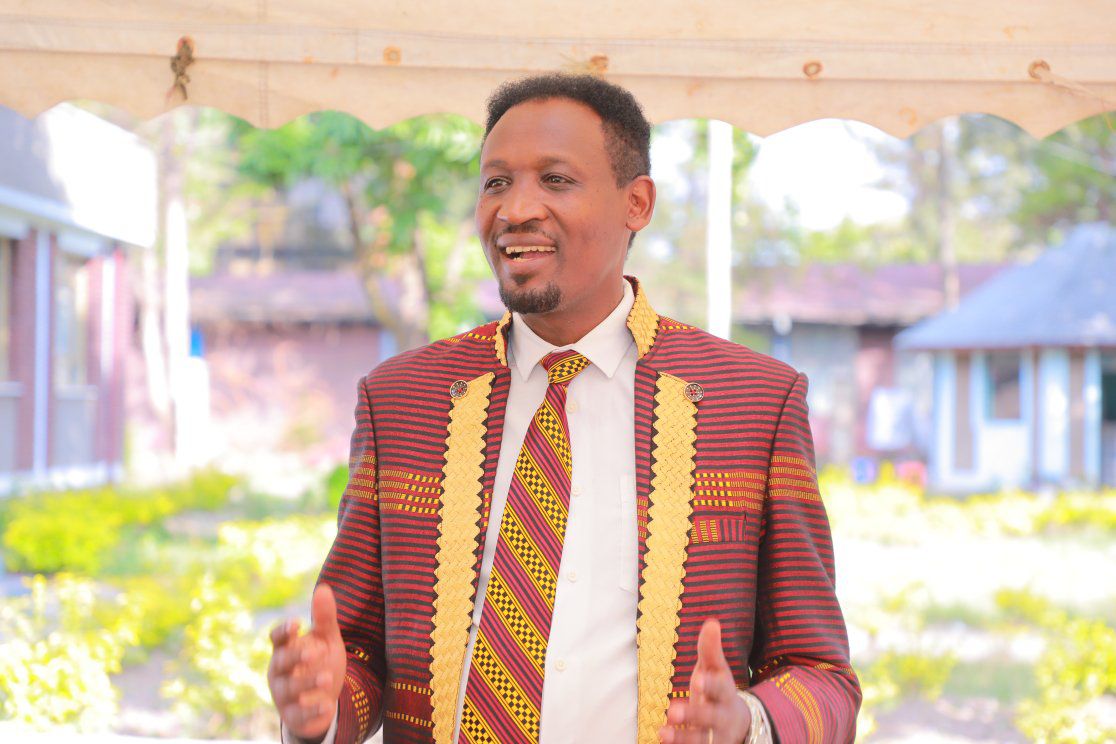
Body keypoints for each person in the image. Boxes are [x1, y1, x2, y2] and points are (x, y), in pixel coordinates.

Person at [268, 73, 860, 744]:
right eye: (496, 182)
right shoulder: (402, 400)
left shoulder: (753, 401)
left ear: (636, 203)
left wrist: (746, 722)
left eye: (555, 180)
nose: (515, 209)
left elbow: (821, 675)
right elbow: (357, 655)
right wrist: (321, 708)